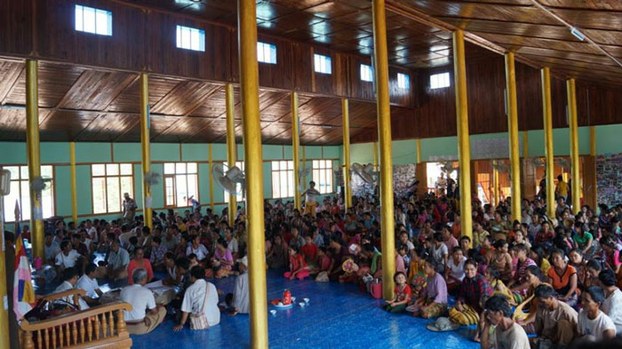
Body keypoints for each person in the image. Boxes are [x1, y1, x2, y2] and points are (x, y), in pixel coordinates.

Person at [121, 268, 167, 335]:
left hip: (123, 326)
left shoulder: (124, 290)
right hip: (139, 327)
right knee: (162, 309)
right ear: (143, 279)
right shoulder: (147, 292)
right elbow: (154, 312)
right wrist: (158, 306)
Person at [173, 266, 220, 331]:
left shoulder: (190, 289)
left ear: (193, 276)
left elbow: (186, 310)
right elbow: (216, 301)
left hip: (202, 323)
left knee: (178, 314)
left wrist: (181, 324)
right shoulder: (211, 285)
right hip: (216, 319)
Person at [533, 284, 578, 348]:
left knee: (563, 323)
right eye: (539, 301)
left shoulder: (566, 310)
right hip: (548, 339)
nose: (540, 304)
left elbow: (578, 328)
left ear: (551, 298)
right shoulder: (541, 307)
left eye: (542, 302)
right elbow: (538, 328)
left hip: (564, 342)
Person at [598, 269, 622, 335]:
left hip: (616, 327)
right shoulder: (605, 291)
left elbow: (611, 319)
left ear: (602, 282)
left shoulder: (616, 297)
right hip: (605, 321)